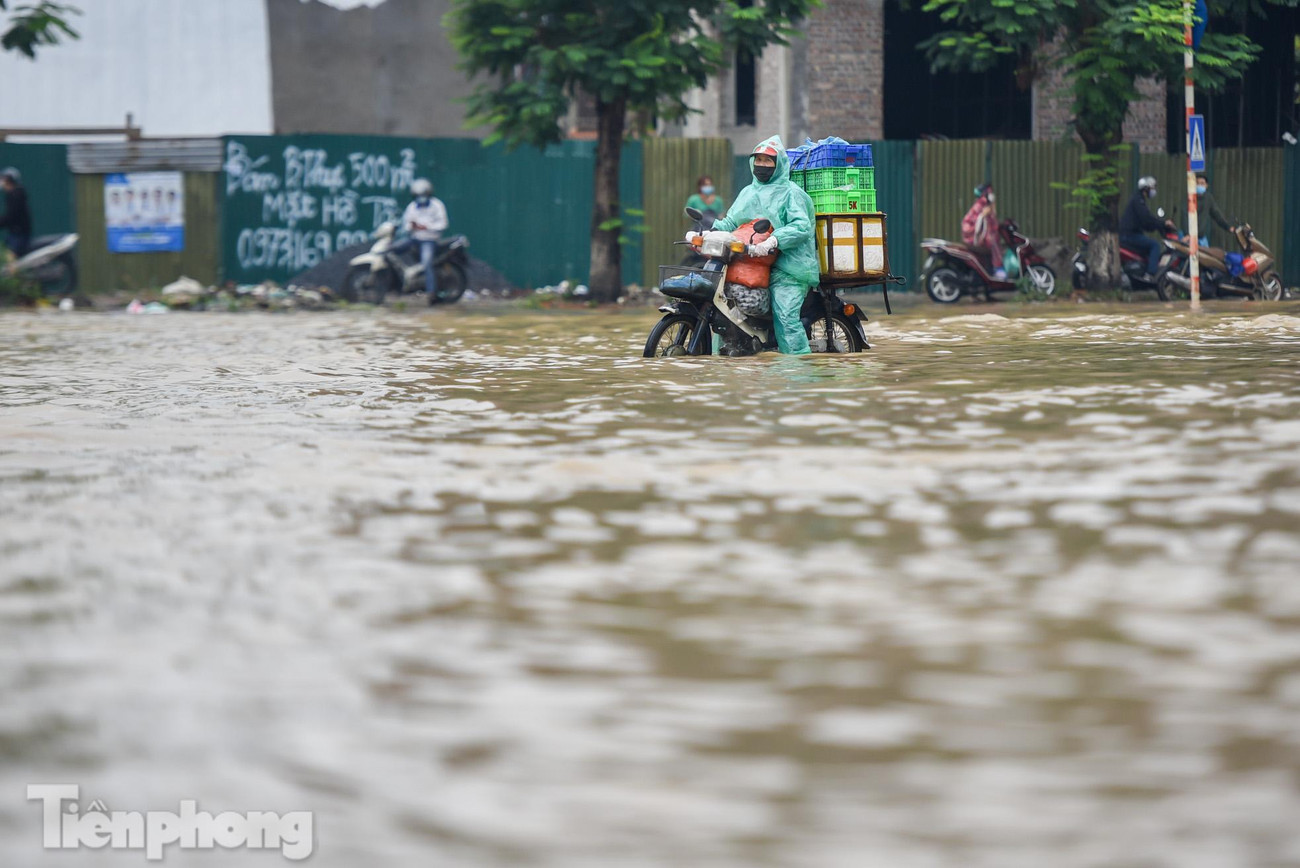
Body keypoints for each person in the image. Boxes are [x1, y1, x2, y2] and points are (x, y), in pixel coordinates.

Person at [699, 135, 819, 356]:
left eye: (768, 160)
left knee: (785, 316)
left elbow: (802, 226)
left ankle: (797, 368)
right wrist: (711, 232)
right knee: (723, 308)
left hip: (789, 269)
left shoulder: (792, 194)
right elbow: (731, 221)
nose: (762, 165)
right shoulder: (748, 192)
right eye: (759, 160)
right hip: (753, 263)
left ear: (779, 164)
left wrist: (775, 240)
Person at [397, 178, 448, 301]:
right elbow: (406, 224)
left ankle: (431, 293)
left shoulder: (437, 205)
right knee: (392, 250)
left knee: (427, 263)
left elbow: (443, 224)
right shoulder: (413, 207)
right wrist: (412, 227)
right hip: (414, 239)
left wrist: (426, 227)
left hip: (430, 240)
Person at [1119, 176, 1177, 276]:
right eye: (1153, 188)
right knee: (1154, 245)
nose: (1154, 191)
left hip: (1130, 234)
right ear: (1146, 188)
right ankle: (1151, 274)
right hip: (1129, 235)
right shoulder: (1138, 201)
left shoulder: (1138, 199)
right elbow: (1146, 218)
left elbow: (1147, 223)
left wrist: (1158, 225)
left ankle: (1143, 270)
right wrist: (1163, 223)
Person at [961, 183, 1005, 279]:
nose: (992, 194)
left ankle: (992, 270)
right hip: (972, 235)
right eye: (990, 192)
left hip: (975, 234)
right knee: (994, 244)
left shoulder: (984, 203)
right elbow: (983, 221)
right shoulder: (982, 204)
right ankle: (998, 270)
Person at [1195, 173, 1234, 248]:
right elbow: (1184, 217)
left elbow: (1216, 215)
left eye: (1202, 183)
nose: (1199, 185)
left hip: (1201, 237)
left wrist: (1228, 227)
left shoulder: (1208, 198)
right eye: (1197, 183)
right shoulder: (1189, 198)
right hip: (1187, 236)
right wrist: (1187, 234)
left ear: (1206, 186)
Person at [0, 167, 32, 258]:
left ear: (8, 180)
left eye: (3, 178)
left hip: (19, 235)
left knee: (10, 260)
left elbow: (11, 216)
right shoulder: (15, 194)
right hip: (15, 233)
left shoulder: (15, 195)